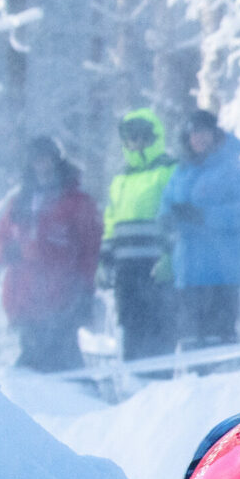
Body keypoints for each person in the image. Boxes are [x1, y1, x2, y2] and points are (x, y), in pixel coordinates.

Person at [0, 135, 103, 373]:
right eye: (36, 160)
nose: (42, 166)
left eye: (46, 160)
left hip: (62, 297)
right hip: (24, 297)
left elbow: (90, 249)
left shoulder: (76, 202)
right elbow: (0, 242)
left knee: (65, 364)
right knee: (31, 364)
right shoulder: (19, 202)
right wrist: (7, 251)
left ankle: (86, 406)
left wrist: (85, 288)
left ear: (57, 162)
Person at [161, 109, 240, 349]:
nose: (198, 138)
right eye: (193, 133)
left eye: (203, 132)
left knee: (219, 342)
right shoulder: (181, 172)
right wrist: (167, 220)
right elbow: (166, 205)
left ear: (215, 134)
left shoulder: (234, 168)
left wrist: (206, 216)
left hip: (222, 269)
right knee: (190, 341)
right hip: (187, 271)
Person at [102, 108, 176, 359]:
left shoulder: (167, 170)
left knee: (159, 322)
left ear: (154, 137)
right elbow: (111, 220)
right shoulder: (120, 179)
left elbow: (174, 216)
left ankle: (160, 381)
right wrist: (105, 257)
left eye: (143, 137)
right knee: (130, 322)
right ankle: (134, 379)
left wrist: (171, 254)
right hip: (126, 267)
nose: (137, 143)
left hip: (155, 264)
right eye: (131, 138)